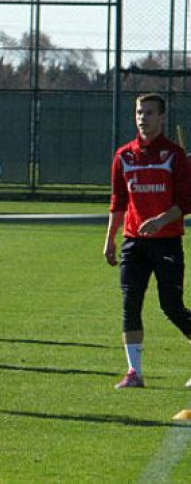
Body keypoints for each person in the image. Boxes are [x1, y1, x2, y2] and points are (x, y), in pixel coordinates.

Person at [104, 92, 191, 389]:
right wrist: (110, 240)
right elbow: (117, 201)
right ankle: (134, 372)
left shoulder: (175, 156)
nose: (143, 118)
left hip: (167, 241)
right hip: (133, 242)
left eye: (150, 113)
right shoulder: (124, 156)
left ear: (163, 118)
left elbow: (185, 203)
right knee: (131, 304)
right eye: (140, 112)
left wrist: (161, 221)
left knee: (171, 305)